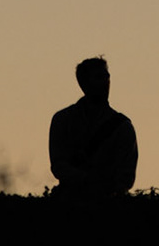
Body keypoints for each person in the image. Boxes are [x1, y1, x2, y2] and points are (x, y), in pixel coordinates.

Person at [48, 56, 137, 198]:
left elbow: (126, 176)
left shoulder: (122, 127)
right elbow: (59, 165)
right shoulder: (63, 120)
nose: (105, 82)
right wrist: (87, 181)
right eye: (98, 77)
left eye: (107, 77)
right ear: (83, 83)